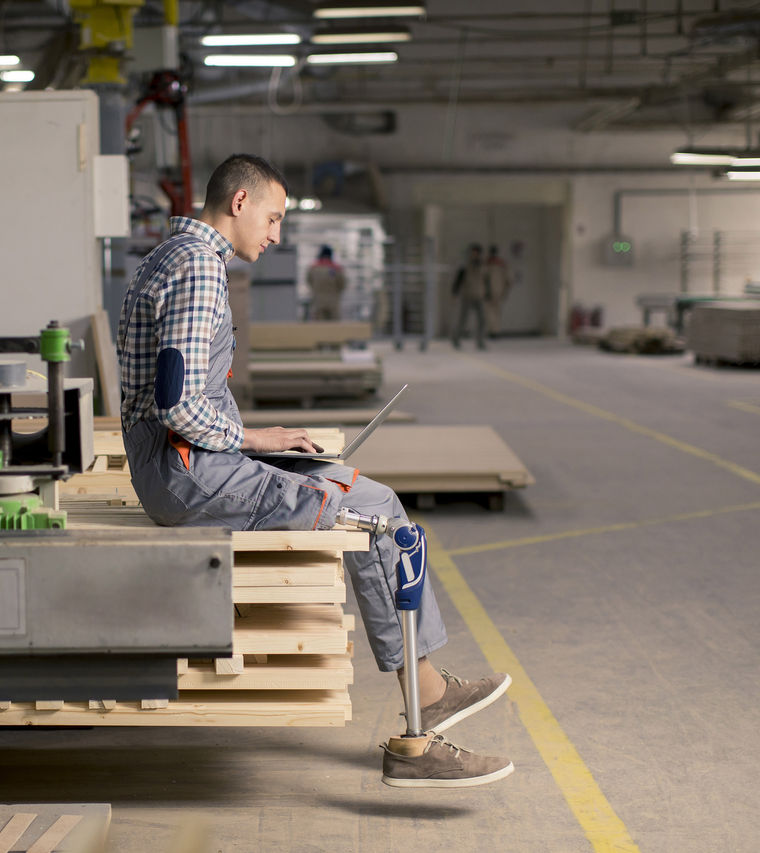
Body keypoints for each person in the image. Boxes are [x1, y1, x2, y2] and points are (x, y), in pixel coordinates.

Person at [116, 154, 513, 788]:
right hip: (189, 474)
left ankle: (430, 688)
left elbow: (180, 396)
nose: (275, 236)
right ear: (239, 202)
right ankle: (418, 734)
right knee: (380, 519)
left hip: (187, 463)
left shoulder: (174, 256)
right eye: (272, 218)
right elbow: (182, 406)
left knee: (361, 489)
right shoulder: (197, 270)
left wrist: (258, 440)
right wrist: (248, 437)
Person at [451, 243, 488, 350]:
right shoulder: (465, 266)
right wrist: (454, 293)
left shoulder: (483, 266)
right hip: (467, 295)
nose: (474, 255)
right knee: (463, 319)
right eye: (473, 253)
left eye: (476, 253)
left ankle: (480, 341)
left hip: (479, 296)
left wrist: (488, 294)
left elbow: (486, 281)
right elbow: (458, 281)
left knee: (482, 320)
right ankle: (456, 338)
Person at [307, 245, 346, 321]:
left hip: (318, 301)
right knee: (334, 327)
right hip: (333, 301)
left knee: (320, 327)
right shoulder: (337, 269)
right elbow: (342, 284)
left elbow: (309, 282)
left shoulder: (313, 269)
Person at [484, 245, 511, 339]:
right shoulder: (502, 264)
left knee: (490, 312)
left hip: (489, 292)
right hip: (500, 291)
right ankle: (496, 330)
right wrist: (506, 291)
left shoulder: (487, 264)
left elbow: (483, 278)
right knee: (497, 312)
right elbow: (508, 280)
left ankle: (493, 331)